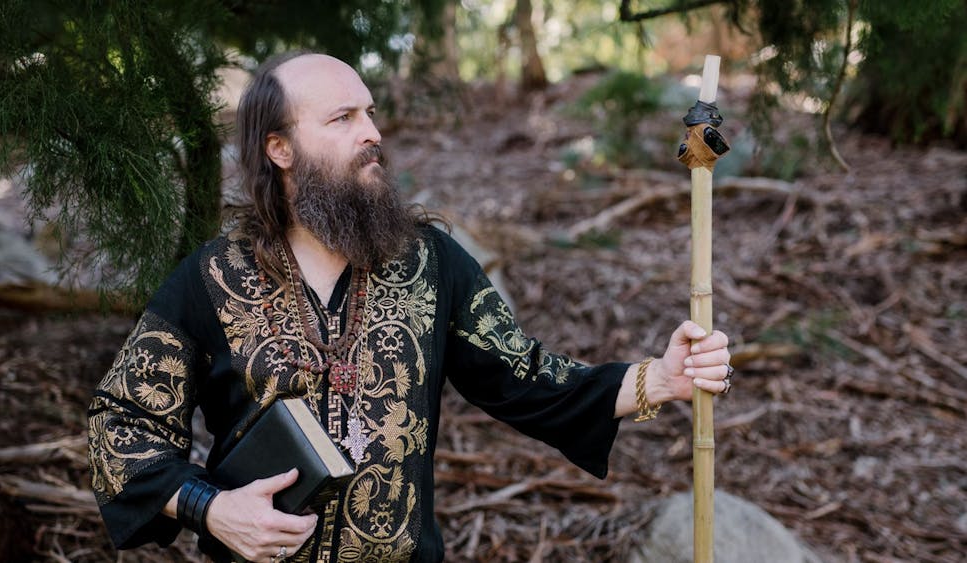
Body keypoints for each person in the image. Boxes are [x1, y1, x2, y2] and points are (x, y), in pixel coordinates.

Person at [87, 52, 733, 563]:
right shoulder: (211, 277)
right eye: (342, 119)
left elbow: (527, 377)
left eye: (369, 113)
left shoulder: (431, 263)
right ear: (279, 149)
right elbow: (121, 426)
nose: (371, 134)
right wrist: (210, 507)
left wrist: (662, 378)